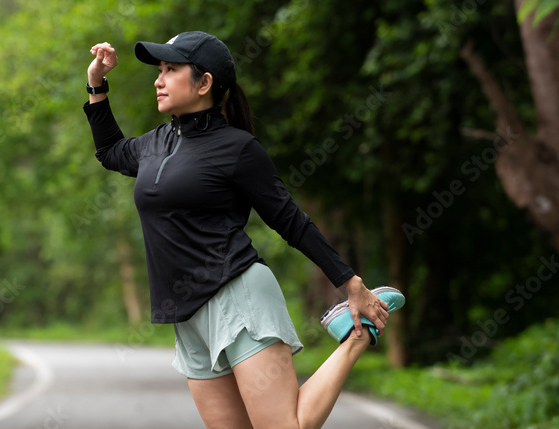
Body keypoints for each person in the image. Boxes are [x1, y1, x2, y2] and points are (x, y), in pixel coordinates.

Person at [82, 31, 405, 429]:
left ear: (204, 83)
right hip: (187, 316)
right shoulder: (156, 144)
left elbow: (289, 220)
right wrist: (96, 83)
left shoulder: (237, 148)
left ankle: (357, 337)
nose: (158, 79)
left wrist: (350, 282)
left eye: (171, 69)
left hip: (237, 299)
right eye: (159, 70)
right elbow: (110, 152)